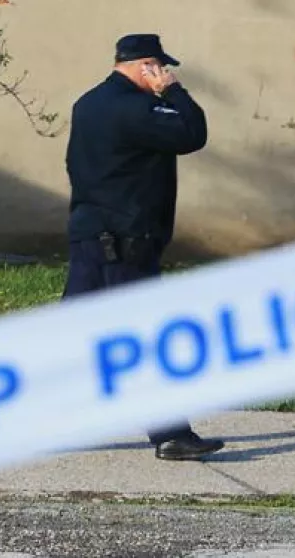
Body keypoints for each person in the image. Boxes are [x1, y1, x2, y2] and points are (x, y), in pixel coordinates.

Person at [60, 33, 226, 461]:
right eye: (160, 67)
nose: (165, 75)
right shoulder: (138, 107)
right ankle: (171, 434)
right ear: (145, 65)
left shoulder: (88, 103)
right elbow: (193, 132)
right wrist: (172, 91)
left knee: (70, 336)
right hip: (127, 241)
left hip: (89, 235)